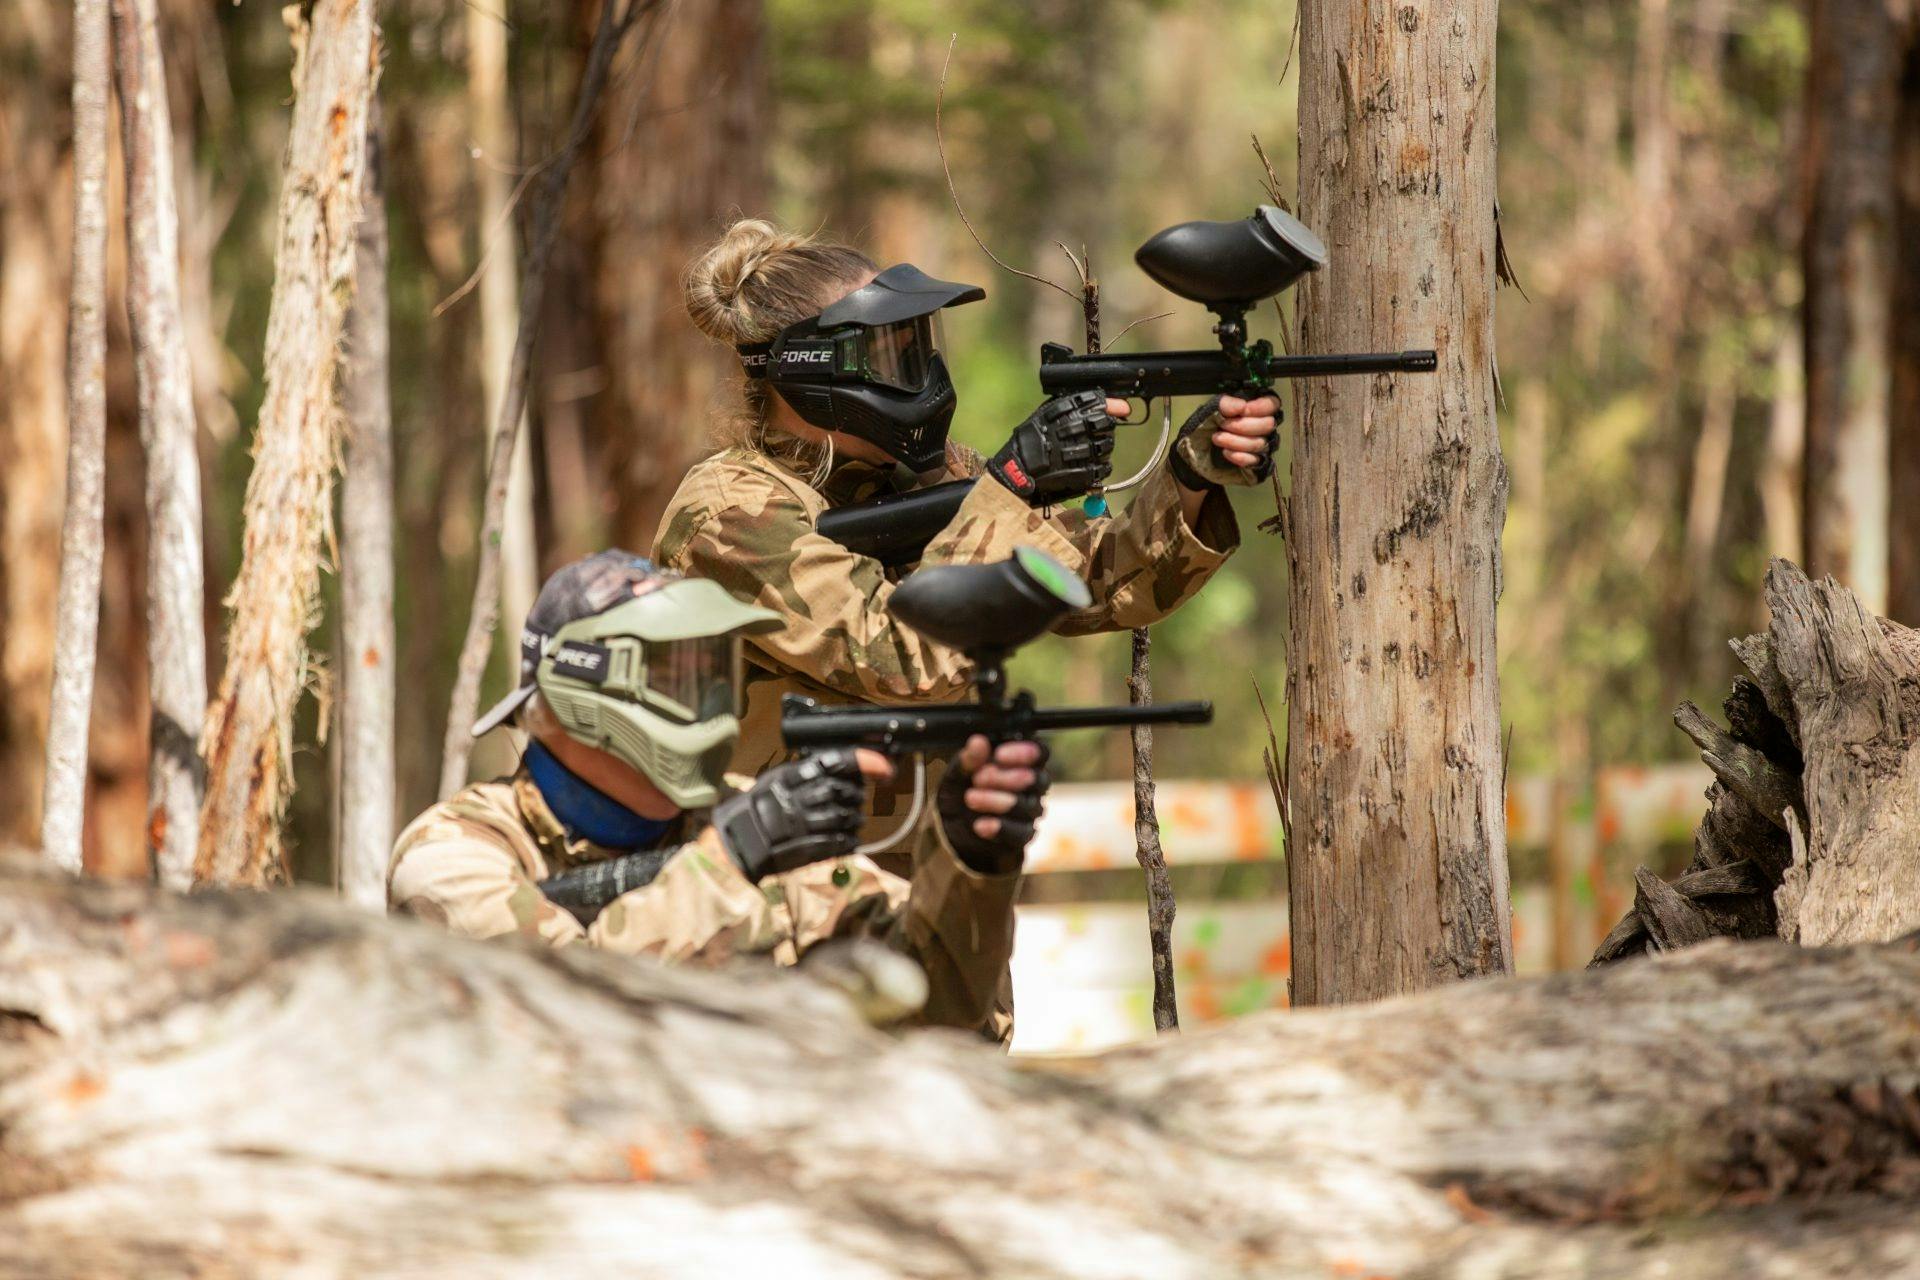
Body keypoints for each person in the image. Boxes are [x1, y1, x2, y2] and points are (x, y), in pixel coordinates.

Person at [653, 218, 1280, 837]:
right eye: (889, 352)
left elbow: (1099, 579)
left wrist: (1192, 475)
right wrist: (1011, 484)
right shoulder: (728, 512)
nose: (920, 371)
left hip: (923, 879)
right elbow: (904, 659)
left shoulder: (921, 474)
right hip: (777, 890)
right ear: (812, 368)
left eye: (918, 343)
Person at [388, 551, 1047, 1037]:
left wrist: (967, 862)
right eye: (674, 677)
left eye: (712, 672)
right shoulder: (452, 857)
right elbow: (557, 1019)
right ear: (577, 693)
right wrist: (728, 864)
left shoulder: (750, 820)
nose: (706, 705)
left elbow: (950, 1016)